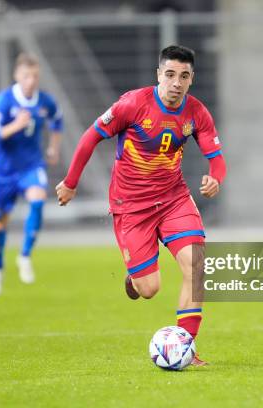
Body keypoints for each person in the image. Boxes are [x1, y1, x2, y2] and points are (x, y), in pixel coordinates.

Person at [56, 45, 226, 366]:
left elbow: (216, 159)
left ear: (192, 80)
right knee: (149, 289)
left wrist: (215, 178)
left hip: (174, 198)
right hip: (131, 206)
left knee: (197, 265)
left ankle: (186, 347)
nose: (177, 82)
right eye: (171, 74)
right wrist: (71, 182)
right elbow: (90, 138)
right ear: (158, 75)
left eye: (184, 76)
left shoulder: (196, 113)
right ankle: (135, 277)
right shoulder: (133, 105)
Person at [0, 52, 63, 297]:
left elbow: (57, 121)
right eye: (27, 75)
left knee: (38, 201)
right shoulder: (4, 101)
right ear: (17, 75)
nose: (31, 80)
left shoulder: (44, 102)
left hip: (31, 166)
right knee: (0, 224)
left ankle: (25, 255)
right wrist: (15, 126)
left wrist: (53, 148)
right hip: (5, 172)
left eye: (35, 76)